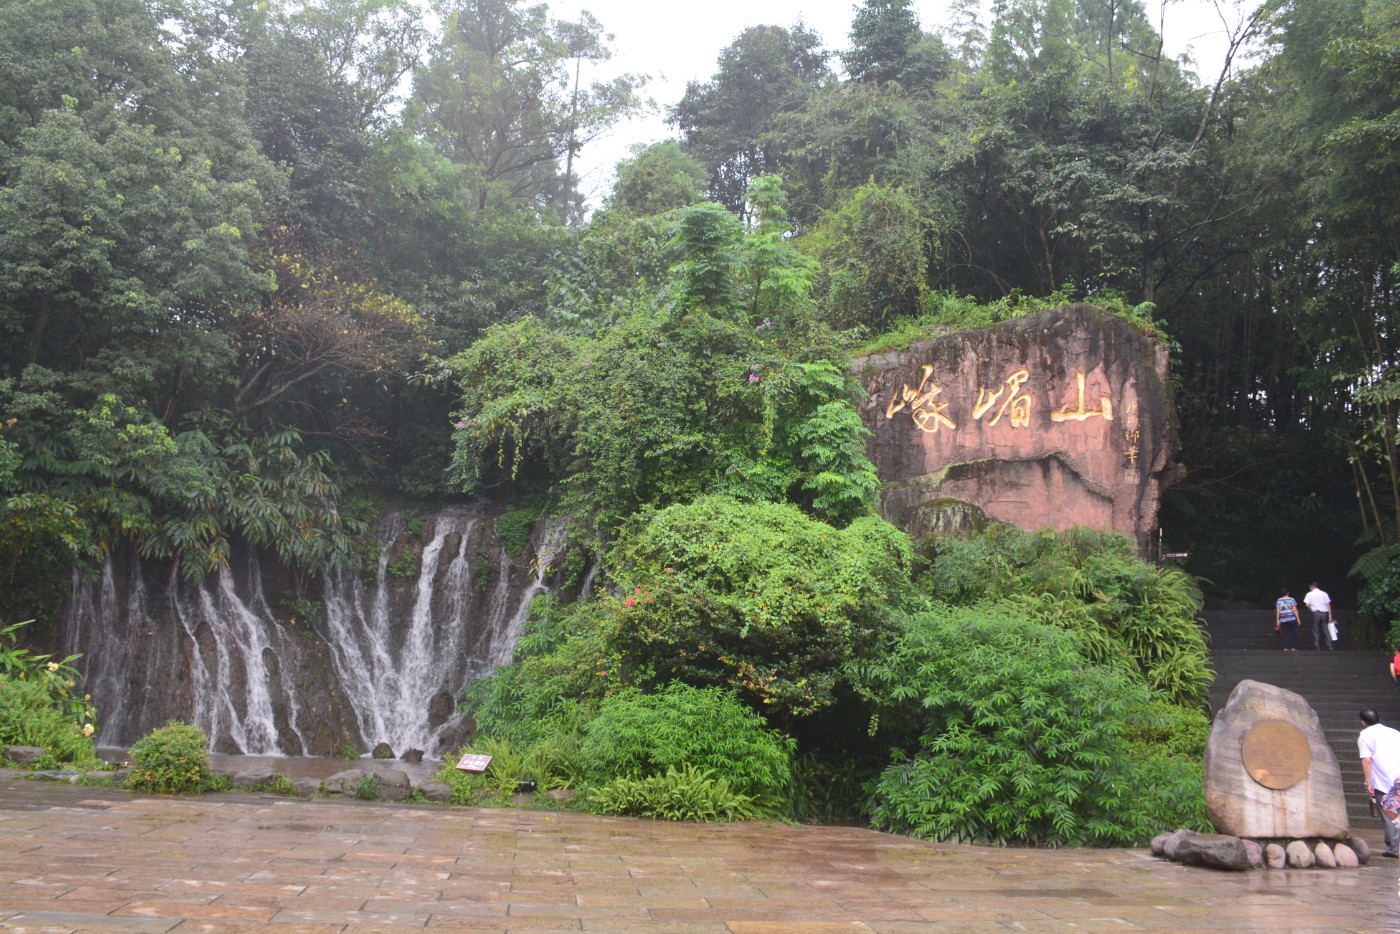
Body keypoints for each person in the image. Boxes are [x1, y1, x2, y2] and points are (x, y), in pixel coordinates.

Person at [1359, 708, 1400, 858]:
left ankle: (1393, 849)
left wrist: (1367, 782)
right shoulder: (1394, 733)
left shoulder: (1365, 736)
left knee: (1390, 816)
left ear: (1363, 722)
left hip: (1385, 781)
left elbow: (1367, 760)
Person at [1304, 582, 1335, 651]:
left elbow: (1307, 604)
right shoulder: (1324, 593)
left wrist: (1311, 609)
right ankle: (1330, 647)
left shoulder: (1309, 594)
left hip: (1316, 613)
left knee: (1316, 630)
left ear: (1311, 587)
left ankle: (1317, 647)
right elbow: (1328, 605)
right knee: (1326, 630)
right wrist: (1330, 615)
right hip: (1325, 613)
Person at [1274, 587, 1299, 651]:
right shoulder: (1292, 599)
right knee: (1293, 633)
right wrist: (1298, 619)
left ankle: (1285, 647)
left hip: (1283, 619)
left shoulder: (1279, 600)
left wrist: (1277, 620)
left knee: (1284, 633)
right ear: (1288, 593)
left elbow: (1278, 611)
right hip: (1291, 618)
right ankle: (1293, 647)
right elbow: (1295, 610)